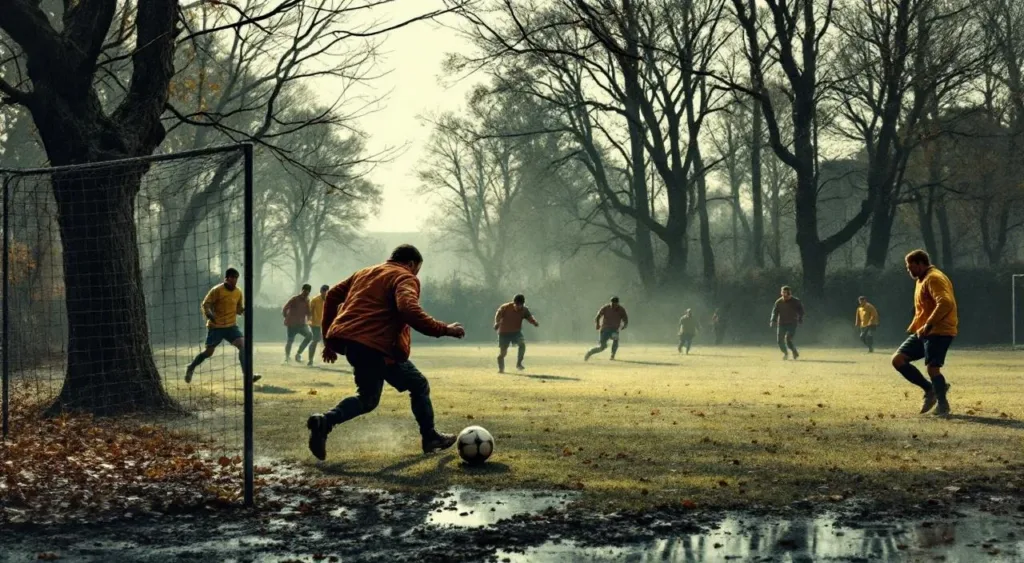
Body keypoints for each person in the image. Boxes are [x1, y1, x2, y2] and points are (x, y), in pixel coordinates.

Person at [305, 245, 466, 460]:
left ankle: (325, 421)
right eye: (417, 269)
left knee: (367, 398)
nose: (416, 274)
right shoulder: (404, 276)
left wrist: (328, 340)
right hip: (378, 345)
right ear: (411, 264)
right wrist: (445, 329)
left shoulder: (365, 273)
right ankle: (430, 437)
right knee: (419, 384)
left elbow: (333, 295)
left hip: (353, 344)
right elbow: (408, 309)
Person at [892, 249, 958, 416]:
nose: (909, 270)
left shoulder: (934, 278)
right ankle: (930, 389)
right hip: (924, 331)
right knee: (898, 360)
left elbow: (945, 302)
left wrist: (928, 324)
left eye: (911, 267)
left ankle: (943, 405)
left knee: (932, 368)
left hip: (939, 330)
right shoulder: (922, 279)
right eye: (908, 268)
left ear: (921, 264)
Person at [185, 268, 261, 384]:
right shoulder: (217, 290)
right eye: (232, 278)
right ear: (227, 278)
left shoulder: (238, 292)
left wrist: (245, 311)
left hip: (231, 326)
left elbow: (238, 308)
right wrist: (209, 313)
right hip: (216, 326)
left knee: (243, 345)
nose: (234, 280)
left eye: (236, 278)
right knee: (209, 352)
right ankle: (191, 367)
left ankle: (248, 376)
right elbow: (206, 303)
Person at [494, 294, 539, 373]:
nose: (518, 307)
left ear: (523, 304)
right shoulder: (505, 307)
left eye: (520, 305)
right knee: (503, 353)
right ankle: (501, 369)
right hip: (504, 332)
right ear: (513, 303)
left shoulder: (524, 310)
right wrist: (497, 323)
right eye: (516, 305)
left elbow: (529, 317)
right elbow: (498, 315)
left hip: (516, 332)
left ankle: (519, 363)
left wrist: (534, 322)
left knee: (522, 344)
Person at [584, 297, 628, 361]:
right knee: (602, 347)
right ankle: (589, 353)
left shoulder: (621, 310)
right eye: (612, 304)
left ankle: (612, 355)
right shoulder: (605, 308)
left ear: (617, 303)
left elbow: (625, 318)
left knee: (615, 339)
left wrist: (625, 324)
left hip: (614, 329)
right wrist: (597, 324)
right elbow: (598, 316)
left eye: (615, 304)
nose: (613, 306)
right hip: (605, 329)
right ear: (610, 302)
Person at [770, 286, 804, 360]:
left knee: (788, 339)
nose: (785, 297)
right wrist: (773, 320)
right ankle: (785, 353)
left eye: (787, 295)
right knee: (779, 341)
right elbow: (775, 312)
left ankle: (794, 351)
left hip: (792, 323)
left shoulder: (796, 301)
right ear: (781, 294)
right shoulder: (779, 302)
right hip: (781, 323)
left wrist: (800, 318)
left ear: (790, 294)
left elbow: (801, 310)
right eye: (783, 294)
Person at [282, 284, 313, 364]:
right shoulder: (294, 299)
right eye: (305, 291)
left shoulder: (307, 301)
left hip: (301, 324)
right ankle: (287, 357)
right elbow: (285, 308)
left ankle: (298, 354)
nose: (306, 293)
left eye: (308, 292)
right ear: (302, 290)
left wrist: (309, 318)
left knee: (309, 336)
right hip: (292, 324)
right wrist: (287, 317)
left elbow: (308, 312)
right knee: (290, 341)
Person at [307, 284, 329, 366]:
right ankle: (310, 360)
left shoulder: (329, 300)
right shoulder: (315, 300)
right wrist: (310, 320)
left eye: (327, 292)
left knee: (326, 341)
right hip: (315, 323)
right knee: (316, 339)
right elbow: (309, 311)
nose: (325, 294)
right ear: (321, 291)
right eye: (324, 292)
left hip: (325, 324)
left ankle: (324, 358)